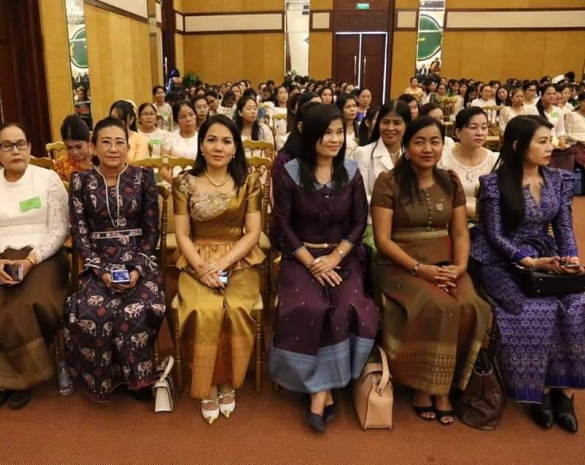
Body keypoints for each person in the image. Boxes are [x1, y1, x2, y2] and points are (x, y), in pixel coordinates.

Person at [371, 116, 490, 426]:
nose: (427, 148)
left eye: (435, 142)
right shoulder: (389, 182)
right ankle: (425, 387)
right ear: (407, 146)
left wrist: (459, 268)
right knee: (438, 305)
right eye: (419, 142)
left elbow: (460, 233)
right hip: (400, 266)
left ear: (443, 145)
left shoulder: (450, 181)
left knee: (472, 305)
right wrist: (421, 269)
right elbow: (383, 241)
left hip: (446, 265)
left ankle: (448, 384)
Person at [471, 115, 584, 433]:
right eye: (543, 142)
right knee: (536, 308)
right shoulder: (493, 183)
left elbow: (563, 226)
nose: (551, 147)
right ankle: (540, 391)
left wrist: (571, 259)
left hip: (545, 254)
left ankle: (565, 391)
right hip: (500, 261)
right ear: (518, 146)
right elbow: (494, 235)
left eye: (551, 140)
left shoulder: (559, 180)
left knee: (576, 305)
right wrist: (529, 262)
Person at [270, 104, 377, 433]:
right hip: (300, 257)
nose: (335, 139)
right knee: (308, 305)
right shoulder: (290, 172)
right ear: (311, 134)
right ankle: (322, 390)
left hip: (342, 257)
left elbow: (359, 222)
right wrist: (312, 263)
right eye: (327, 132)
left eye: (339, 132)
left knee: (348, 305)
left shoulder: (351, 171)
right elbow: (283, 225)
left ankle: (320, 390)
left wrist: (335, 258)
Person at [0, 122, 69, 411]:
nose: (15, 151)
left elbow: (60, 229)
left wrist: (31, 260)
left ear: (30, 147)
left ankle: (21, 380)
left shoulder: (48, 179)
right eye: (6, 146)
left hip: (42, 256)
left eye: (21, 144)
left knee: (20, 306)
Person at [64, 117, 165, 403]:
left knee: (139, 307)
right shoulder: (80, 180)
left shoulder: (143, 177)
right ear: (93, 146)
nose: (113, 148)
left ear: (128, 146)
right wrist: (101, 270)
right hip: (98, 260)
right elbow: (79, 233)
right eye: (106, 142)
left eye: (120, 142)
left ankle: (138, 378)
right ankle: (105, 379)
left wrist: (137, 268)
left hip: (138, 256)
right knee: (93, 311)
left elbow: (152, 230)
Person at [172, 115, 264, 424]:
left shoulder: (249, 182)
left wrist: (222, 263)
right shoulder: (184, 182)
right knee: (204, 309)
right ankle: (208, 384)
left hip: (238, 257)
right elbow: (182, 235)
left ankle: (229, 381)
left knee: (235, 308)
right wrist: (202, 268)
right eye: (211, 140)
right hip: (196, 256)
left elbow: (253, 233)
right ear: (201, 145)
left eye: (226, 141)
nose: (218, 147)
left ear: (236, 147)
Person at [439, 107, 498, 222]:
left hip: (485, 223)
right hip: (448, 221)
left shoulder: (494, 161)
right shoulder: (442, 160)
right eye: (473, 127)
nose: (480, 133)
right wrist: (469, 211)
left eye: (484, 127)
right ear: (458, 132)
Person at [54, 115, 92, 182]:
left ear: (88, 141)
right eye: (69, 148)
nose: (75, 152)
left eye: (79, 147)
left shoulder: (101, 162)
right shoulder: (62, 165)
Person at [334, 93, 359, 158]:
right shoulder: (335, 128)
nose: (352, 109)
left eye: (354, 106)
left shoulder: (359, 126)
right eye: (348, 107)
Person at [564, 92, 585, 166]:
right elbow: (567, 134)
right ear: (579, 102)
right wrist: (580, 140)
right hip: (576, 143)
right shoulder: (572, 115)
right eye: (584, 101)